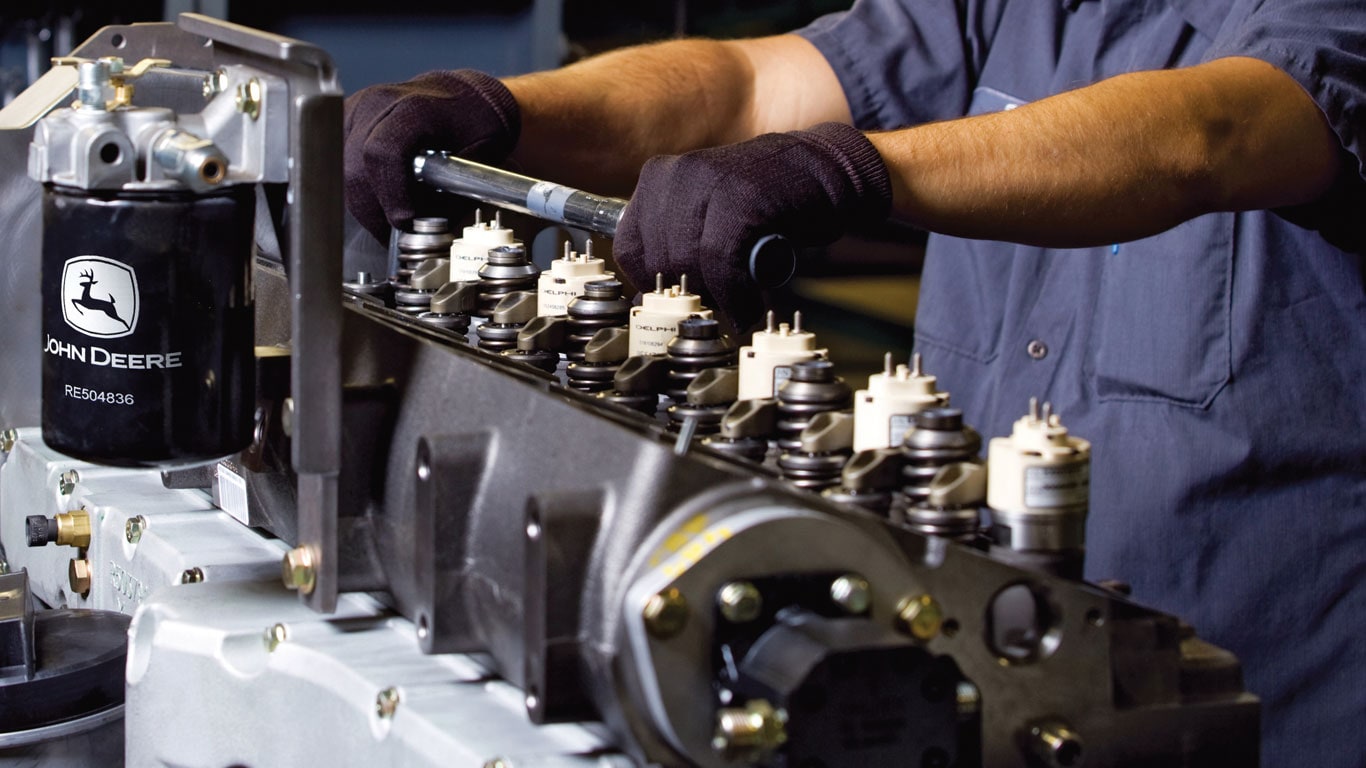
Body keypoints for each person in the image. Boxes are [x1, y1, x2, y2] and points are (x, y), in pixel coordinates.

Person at [343, 2, 1366, 765]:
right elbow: (749, 85)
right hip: (985, 678)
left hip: (1266, 706)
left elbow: (1212, 136)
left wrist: (848, 170)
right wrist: (502, 109)